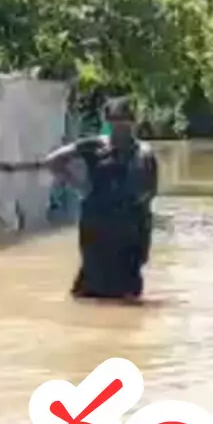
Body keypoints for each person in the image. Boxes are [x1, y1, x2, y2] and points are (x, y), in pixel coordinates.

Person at [46, 96, 159, 301]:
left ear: (134, 122)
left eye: (125, 121)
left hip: (128, 227)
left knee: (128, 287)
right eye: (116, 121)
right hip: (97, 223)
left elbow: (150, 192)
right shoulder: (94, 145)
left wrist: (141, 226)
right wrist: (79, 186)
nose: (121, 127)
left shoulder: (143, 153)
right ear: (108, 121)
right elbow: (53, 161)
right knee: (90, 281)